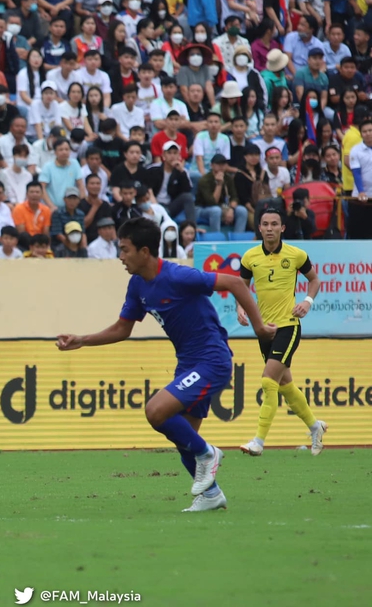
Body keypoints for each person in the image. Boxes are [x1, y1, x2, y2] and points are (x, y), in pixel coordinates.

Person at [57, 217, 275, 512]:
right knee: (183, 437)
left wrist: (259, 328)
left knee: (155, 410)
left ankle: (208, 453)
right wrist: (82, 339)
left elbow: (236, 282)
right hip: (188, 364)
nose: (120, 257)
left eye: (125, 249)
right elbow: (123, 329)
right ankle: (211, 495)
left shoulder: (178, 276)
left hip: (212, 359)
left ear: (144, 251)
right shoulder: (137, 285)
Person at [236, 207, 326, 458]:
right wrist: (239, 308)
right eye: (265, 224)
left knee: (268, 380)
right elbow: (241, 288)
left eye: (274, 224)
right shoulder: (250, 257)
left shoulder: (296, 255)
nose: (269, 228)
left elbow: (315, 280)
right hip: (264, 329)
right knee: (285, 385)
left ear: (282, 228)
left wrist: (307, 301)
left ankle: (258, 441)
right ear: (259, 228)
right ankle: (314, 426)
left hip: (288, 325)